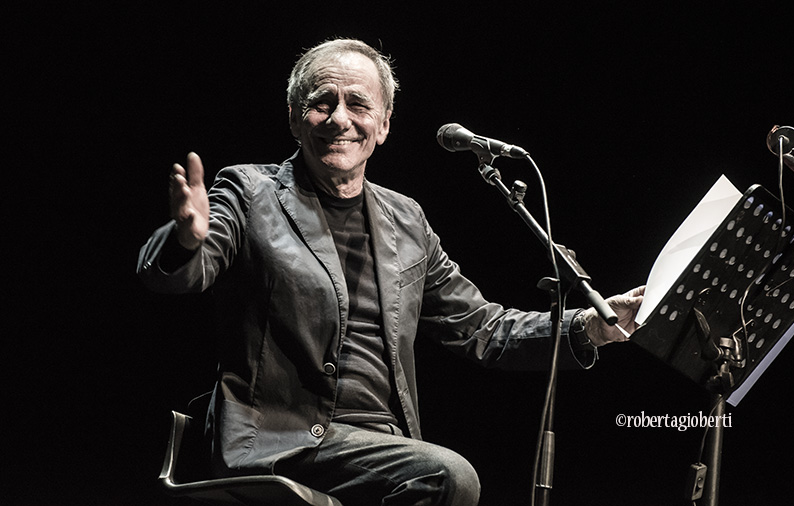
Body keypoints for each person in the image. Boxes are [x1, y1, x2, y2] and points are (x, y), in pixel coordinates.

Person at [138, 38, 643, 506]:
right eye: (321, 102)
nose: (340, 118)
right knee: (451, 477)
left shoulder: (407, 221)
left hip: (380, 444)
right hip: (280, 437)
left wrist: (591, 326)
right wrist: (187, 238)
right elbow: (181, 271)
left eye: (358, 104)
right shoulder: (250, 192)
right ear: (295, 119)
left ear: (382, 126)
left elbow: (483, 330)